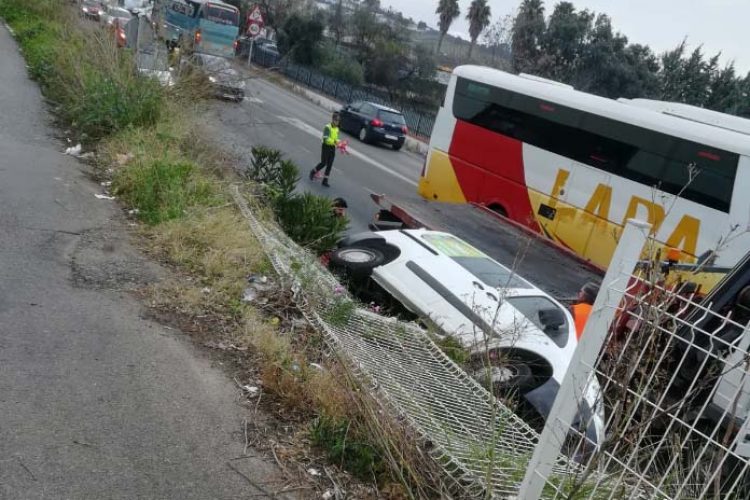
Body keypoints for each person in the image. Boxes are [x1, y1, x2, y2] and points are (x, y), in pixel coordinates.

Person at [309, 112, 341, 187]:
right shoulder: (327, 127)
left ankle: (325, 180)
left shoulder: (336, 129)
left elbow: (335, 138)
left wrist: (339, 143)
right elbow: (326, 139)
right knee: (324, 163)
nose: (337, 122)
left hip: (332, 147)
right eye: (336, 120)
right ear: (333, 119)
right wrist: (334, 142)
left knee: (330, 164)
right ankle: (313, 172)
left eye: (338, 120)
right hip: (326, 147)